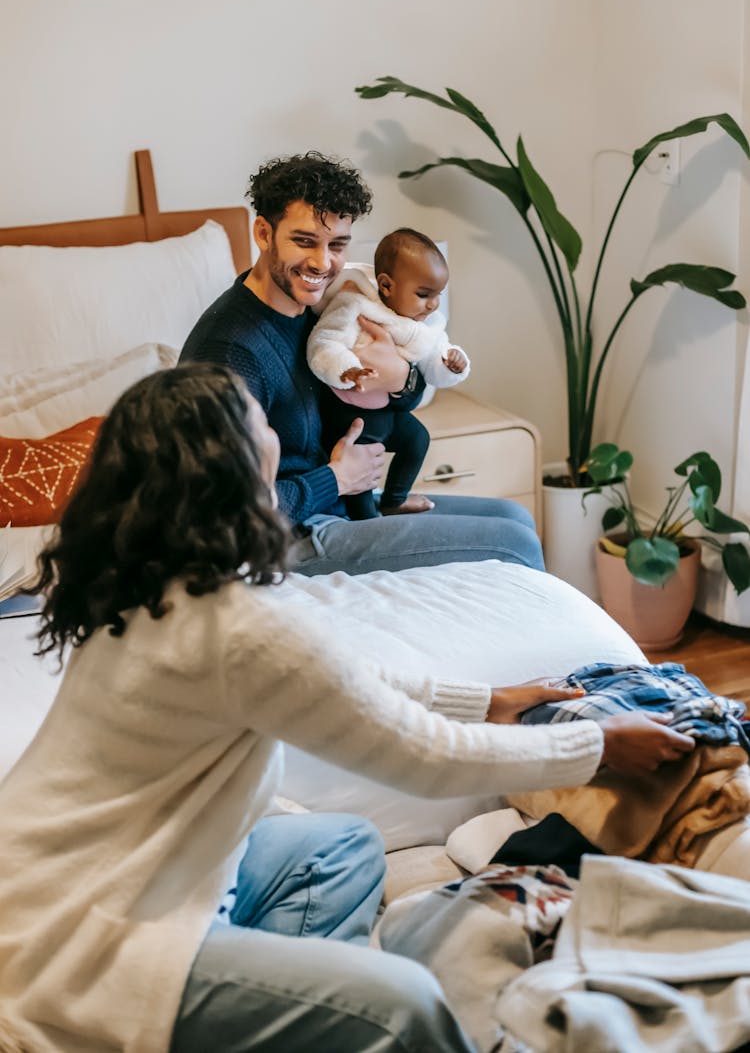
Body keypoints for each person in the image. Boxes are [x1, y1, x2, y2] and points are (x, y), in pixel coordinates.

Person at [0, 363, 696, 1053]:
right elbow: (425, 757)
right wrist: (598, 747)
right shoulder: (226, 626)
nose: (274, 432)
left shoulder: (143, 589)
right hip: (79, 940)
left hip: (75, 879)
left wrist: (488, 699)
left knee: (339, 846)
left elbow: (331, 677)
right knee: (405, 1005)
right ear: (233, 468)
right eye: (259, 423)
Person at [180, 151, 544, 577]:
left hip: (348, 503)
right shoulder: (230, 350)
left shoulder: (321, 309)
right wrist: (335, 479)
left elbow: (392, 401)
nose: (323, 263)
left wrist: (400, 379)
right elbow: (224, 512)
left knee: (514, 517)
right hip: (292, 534)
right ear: (263, 233)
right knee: (513, 543)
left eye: (336, 245)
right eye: (304, 241)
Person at [307, 228, 470, 520]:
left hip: (387, 413)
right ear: (386, 285)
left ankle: (394, 500)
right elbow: (324, 343)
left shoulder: (426, 323)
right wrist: (347, 369)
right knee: (361, 465)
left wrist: (451, 363)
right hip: (350, 415)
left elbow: (433, 363)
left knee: (417, 438)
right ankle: (364, 520)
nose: (432, 304)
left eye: (437, 295)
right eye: (423, 294)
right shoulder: (355, 305)